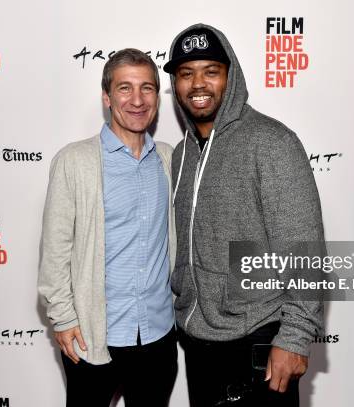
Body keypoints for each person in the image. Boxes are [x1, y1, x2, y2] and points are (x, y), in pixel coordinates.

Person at [164, 24, 325, 406]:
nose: (198, 83)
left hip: (260, 348)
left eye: (210, 71)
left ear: (230, 76)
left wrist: (296, 337)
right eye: (186, 74)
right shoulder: (182, 154)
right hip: (199, 345)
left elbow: (305, 250)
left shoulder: (271, 142)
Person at [38, 48, 177, 407]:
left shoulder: (168, 158)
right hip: (94, 338)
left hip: (158, 337)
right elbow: (55, 250)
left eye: (147, 88)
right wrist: (64, 319)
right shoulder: (75, 161)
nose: (137, 99)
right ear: (107, 96)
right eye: (125, 88)